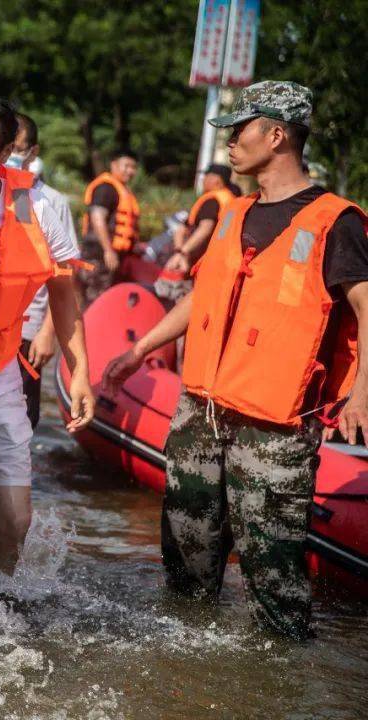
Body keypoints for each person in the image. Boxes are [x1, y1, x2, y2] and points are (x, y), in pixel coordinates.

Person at [102, 81, 368, 640]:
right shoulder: (232, 213)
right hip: (199, 414)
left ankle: (278, 683)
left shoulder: (335, 220)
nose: (228, 143)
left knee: (274, 579)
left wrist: (362, 391)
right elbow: (205, 296)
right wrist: (139, 350)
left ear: (277, 135)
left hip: (274, 430)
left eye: (239, 130)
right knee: (185, 568)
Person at [0, 91, 93, 577]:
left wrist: (81, 372)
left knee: (15, 521)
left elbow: (64, 295)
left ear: (7, 154)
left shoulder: (40, 206)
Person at [8, 112, 80, 429]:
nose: (10, 154)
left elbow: (63, 276)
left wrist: (48, 332)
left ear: (32, 152)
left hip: (28, 329)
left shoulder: (47, 201)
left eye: (17, 147)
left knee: (22, 419)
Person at [77, 149, 140, 306]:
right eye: (126, 166)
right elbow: (97, 218)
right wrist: (108, 250)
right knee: (94, 301)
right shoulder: (106, 188)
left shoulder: (123, 189)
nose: (130, 171)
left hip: (112, 257)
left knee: (107, 300)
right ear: (114, 165)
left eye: (133, 167)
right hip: (98, 254)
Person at [165, 163, 236, 274]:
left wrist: (182, 253)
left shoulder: (211, 201)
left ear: (216, 180)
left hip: (203, 261)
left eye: (206, 176)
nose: (203, 180)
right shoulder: (231, 200)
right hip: (221, 258)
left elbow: (205, 229)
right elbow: (182, 229)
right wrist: (179, 251)